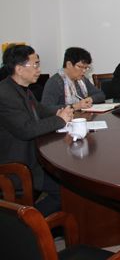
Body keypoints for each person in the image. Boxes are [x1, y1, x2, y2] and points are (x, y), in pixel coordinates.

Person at [0, 45, 73, 216]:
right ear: (19, 69)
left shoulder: (23, 89)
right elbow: (26, 130)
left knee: (69, 184)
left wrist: (64, 111)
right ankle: (27, 224)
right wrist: (60, 120)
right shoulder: (4, 94)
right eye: (35, 65)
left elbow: (41, 111)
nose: (39, 70)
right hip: (17, 165)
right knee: (66, 192)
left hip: (33, 156)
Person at [41, 47, 105, 112]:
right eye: (80, 67)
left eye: (86, 68)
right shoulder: (55, 82)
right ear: (69, 64)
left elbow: (101, 95)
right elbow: (46, 109)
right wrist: (75, 106)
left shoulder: (82, 80)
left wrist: (91, 99)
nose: (84, 71)